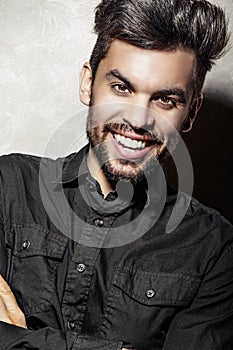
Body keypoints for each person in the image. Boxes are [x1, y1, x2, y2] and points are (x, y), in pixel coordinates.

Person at [0, 0, 232, 349]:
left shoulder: (214, 248)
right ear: (88, 83)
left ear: (191, 112)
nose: (138, 120)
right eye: (121, 88)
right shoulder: (8, 186)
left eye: (165, 100)